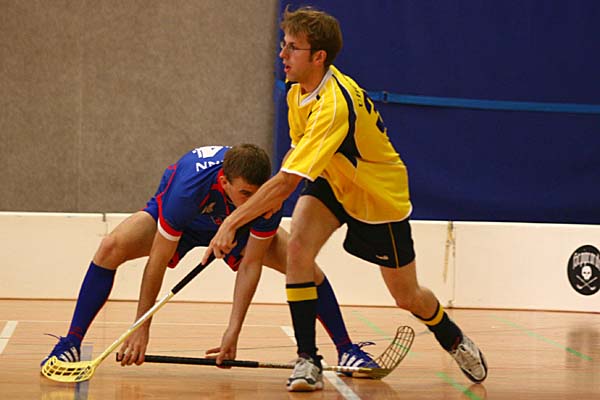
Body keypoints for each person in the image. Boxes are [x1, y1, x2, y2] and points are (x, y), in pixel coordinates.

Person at [204, 7, 488, 392]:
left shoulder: (334, 105)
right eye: (283, 45)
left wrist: (231, 221)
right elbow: (297, 156)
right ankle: (308, 359)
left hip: (377, 197)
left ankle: (449, 335)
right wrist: (265, 203)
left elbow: (287, 183)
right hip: (333, 180)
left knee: (407, 296)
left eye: (292, 48)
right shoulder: (296, 93)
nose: (282, 54)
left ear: (318, 57)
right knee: (297, 249)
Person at [40, 144, 377, 372]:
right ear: (223, 181)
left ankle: (347, 349)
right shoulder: (188, 189)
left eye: (257, 194)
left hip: (235, 228)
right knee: (110, 247)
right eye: (245, 194)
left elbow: (251, 264)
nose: (253, 201)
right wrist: (140, 328)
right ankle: (71, 342)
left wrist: (233, 330)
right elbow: (158, 259)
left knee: (303, 266)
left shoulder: (266, 199)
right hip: (185, 222)